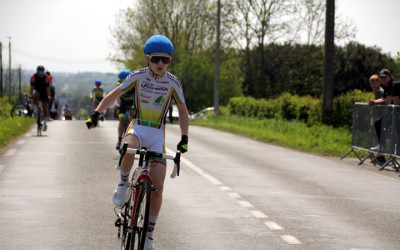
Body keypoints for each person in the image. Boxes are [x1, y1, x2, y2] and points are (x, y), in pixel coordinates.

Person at [86, 35, 189, 249]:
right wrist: (96, 114)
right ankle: (124, 182)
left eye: (166, 60)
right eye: (156, 59)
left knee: (158, 187)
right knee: (128, 146)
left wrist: (184, 137)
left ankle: (149, 236)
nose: (160, 64)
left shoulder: (173, 82)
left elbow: (182, 110)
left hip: (157, 135)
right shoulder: (137, 76)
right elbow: (114, 95)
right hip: (139, 127)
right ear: (146, 58)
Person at [115, 69, 135, 150]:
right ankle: (119, 140)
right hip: (123, 102)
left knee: (134, 115)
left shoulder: (134, 83)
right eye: (122, 80)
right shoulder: (118, 84)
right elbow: (115, 95)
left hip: (132, 102)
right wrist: (116, 103)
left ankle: (133, 133)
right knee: (121, 120)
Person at [368, 74, 385, 164]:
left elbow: (380, 104)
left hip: (380, 116)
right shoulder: (377, 91)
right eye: (371, 83)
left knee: (380, 136)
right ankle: (380, 155)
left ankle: (381, 156)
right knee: (378, 136)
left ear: (379, 82)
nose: (373, 85)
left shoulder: (379, 91)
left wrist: (375, 117)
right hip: (379, 116)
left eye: (375, 83)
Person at [30, 65, 51, 131]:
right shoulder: (33, 77)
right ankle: (35, 109)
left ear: (43, 72)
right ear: (37, 72)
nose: (40, 74)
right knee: (35, 95)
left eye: (42, 73)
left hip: (44, 92)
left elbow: (47, 88)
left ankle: (45, 123)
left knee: (45, 107)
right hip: (37, 90)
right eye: (39, 73)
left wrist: (48, 95)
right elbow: (32, 87)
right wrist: (31, 94)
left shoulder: (46, 78)